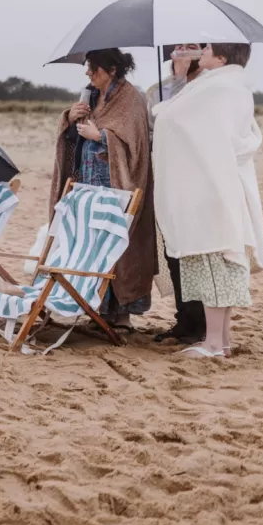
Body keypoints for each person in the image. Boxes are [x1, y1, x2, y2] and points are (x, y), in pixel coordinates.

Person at [153, 43, 263, 358]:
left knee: (214, 264)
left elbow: (173, 117)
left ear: (221, 58)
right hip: (218, 187)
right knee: (219, 263)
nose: (201, 50)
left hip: (211, 189)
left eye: (207, 47)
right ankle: (221, 340)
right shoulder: (228, 86)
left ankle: (214, 342)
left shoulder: (219, 88)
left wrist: (178, 83)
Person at [51, 48, 157, 332]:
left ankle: (122, 316)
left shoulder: (131, 98)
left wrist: (101, 136)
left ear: (112, 70)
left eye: (94, 68)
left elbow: (135, 143)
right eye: (88, 67)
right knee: (92, 243)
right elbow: (75, 136)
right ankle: (97, 309)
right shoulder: (90, 95)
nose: (88, 72)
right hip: (88, 182)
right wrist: (70, 118)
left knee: (117, 242)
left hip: (117, 185)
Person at [147, 43, 207, 344]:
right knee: (173, 251)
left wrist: (184, 79)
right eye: (178, 47)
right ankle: (184, 320)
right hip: (166, 177)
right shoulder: (155, 91)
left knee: (198, 251)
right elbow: (151, 131)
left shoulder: (209, 87)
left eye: (191, 46)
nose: (183, 51)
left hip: (199, 179)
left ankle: (202, 324)